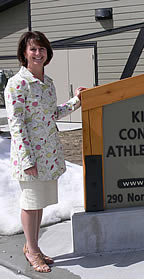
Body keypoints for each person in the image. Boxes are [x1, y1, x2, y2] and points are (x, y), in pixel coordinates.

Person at [4, 31, 86, 272]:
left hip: (48, 154)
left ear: (47, 53)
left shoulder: (47, 83)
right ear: (24, 54)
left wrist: (76, 101)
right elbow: (16, 124)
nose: (38, 53)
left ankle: (33, 246)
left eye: (42, 49)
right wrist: (27, 158)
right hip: (29, 156)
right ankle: (31, 250)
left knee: (40, 203)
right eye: (33, 49)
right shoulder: (17, 83)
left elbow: (52, 114)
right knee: (30, 203)